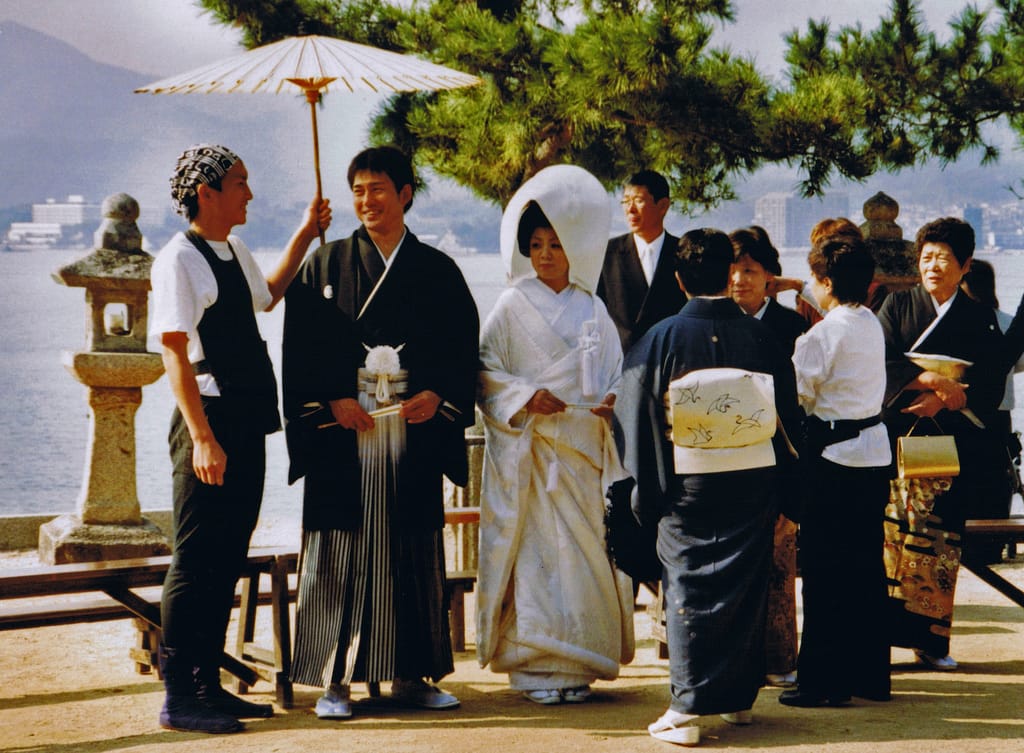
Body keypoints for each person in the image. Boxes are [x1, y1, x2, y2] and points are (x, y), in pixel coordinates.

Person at [281, 146, 479, 719]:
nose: (367, 201)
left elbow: (462, 348)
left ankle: (410, 675)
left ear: (407, 193)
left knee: (410, 550)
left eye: (379, 189)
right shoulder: (323, 265)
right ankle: (332, 679)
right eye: (359, 191)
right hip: (345, 429)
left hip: (411, 430)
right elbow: (299, 352)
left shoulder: (437, 270)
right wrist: (330, 401)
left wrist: (437, 395)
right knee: (339, 551)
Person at [149, 143, 331, 734]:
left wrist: (306, 232)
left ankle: (209, 684)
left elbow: (268, 295)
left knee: (227, 556)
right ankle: (180, 694)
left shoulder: (231, 249)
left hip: (248, 419)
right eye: (241, 182)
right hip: (210, 422)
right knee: (195, 559)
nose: (250, 193)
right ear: (207, 192)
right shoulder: (178, 259)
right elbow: (174, 351)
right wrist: (202, 437)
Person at [616, 228, 801, 746]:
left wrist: (647, 492)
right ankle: (737, 699)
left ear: (678, 279)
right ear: (727, 275)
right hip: (754, 479)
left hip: (688, 481)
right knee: (744, 584)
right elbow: (789, 420)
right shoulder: (762, 337)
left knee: (690, 587)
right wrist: (787, 492)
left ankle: (687, 709)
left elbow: (635, 420)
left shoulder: (659, 339)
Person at [477, 165, 635, 705]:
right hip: (531, 451)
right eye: (536, 244)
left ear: (575, 249)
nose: (544, 254)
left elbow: (616, 374)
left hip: (581, 451)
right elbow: (485, 372)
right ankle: (533, 664)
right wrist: (523, 396)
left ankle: (580, 658)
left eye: (555, 244)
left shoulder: (593, 308)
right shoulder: (508, 306)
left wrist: (612, 401)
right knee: (536, 553)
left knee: (584, 549)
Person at [876, 217, 1007, 670]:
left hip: (951, 443)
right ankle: (882, 639)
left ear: (965, 265)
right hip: (897, 438)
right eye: (927, 257)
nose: (933, 266)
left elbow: (991, 381)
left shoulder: (978, 316)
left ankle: (932, 643)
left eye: (944, 258)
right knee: (891, 536)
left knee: (939, 541)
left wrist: (952, 397)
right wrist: (926, 379)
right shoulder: (896, 305)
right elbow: (879, 358)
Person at [781, 234, 893, 708]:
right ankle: (869, 676)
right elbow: (833, 306)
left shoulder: (820, 336)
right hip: (873, 452)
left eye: (814, 278)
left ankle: (822, 682)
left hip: (834, 457)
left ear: (826, 281)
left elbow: (800, 394)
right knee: (865, 567)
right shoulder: (870, 323)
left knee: (826, 572)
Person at [728, 226, 808, 690]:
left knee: (780, 565)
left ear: (770, 278)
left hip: (777, 456)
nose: (740, 279)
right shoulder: (715, 325)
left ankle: (780, 660)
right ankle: (734, 662)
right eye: (734, 270)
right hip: (726, 457)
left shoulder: (792, 328)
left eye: (751, 271)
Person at [960, 258, 1024, 560]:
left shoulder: (961, 321)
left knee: (968, 477)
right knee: (998, 478)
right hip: (1001, 412)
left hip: (964, 411)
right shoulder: (1006, 320)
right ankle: (991, 544)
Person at [597, 169, 686, 353]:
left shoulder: (683, 252)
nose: (630, 209)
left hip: (670, 359)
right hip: (622, 363)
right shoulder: (607, 253)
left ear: (663, 206)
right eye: (626, 201)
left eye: (638, 200)